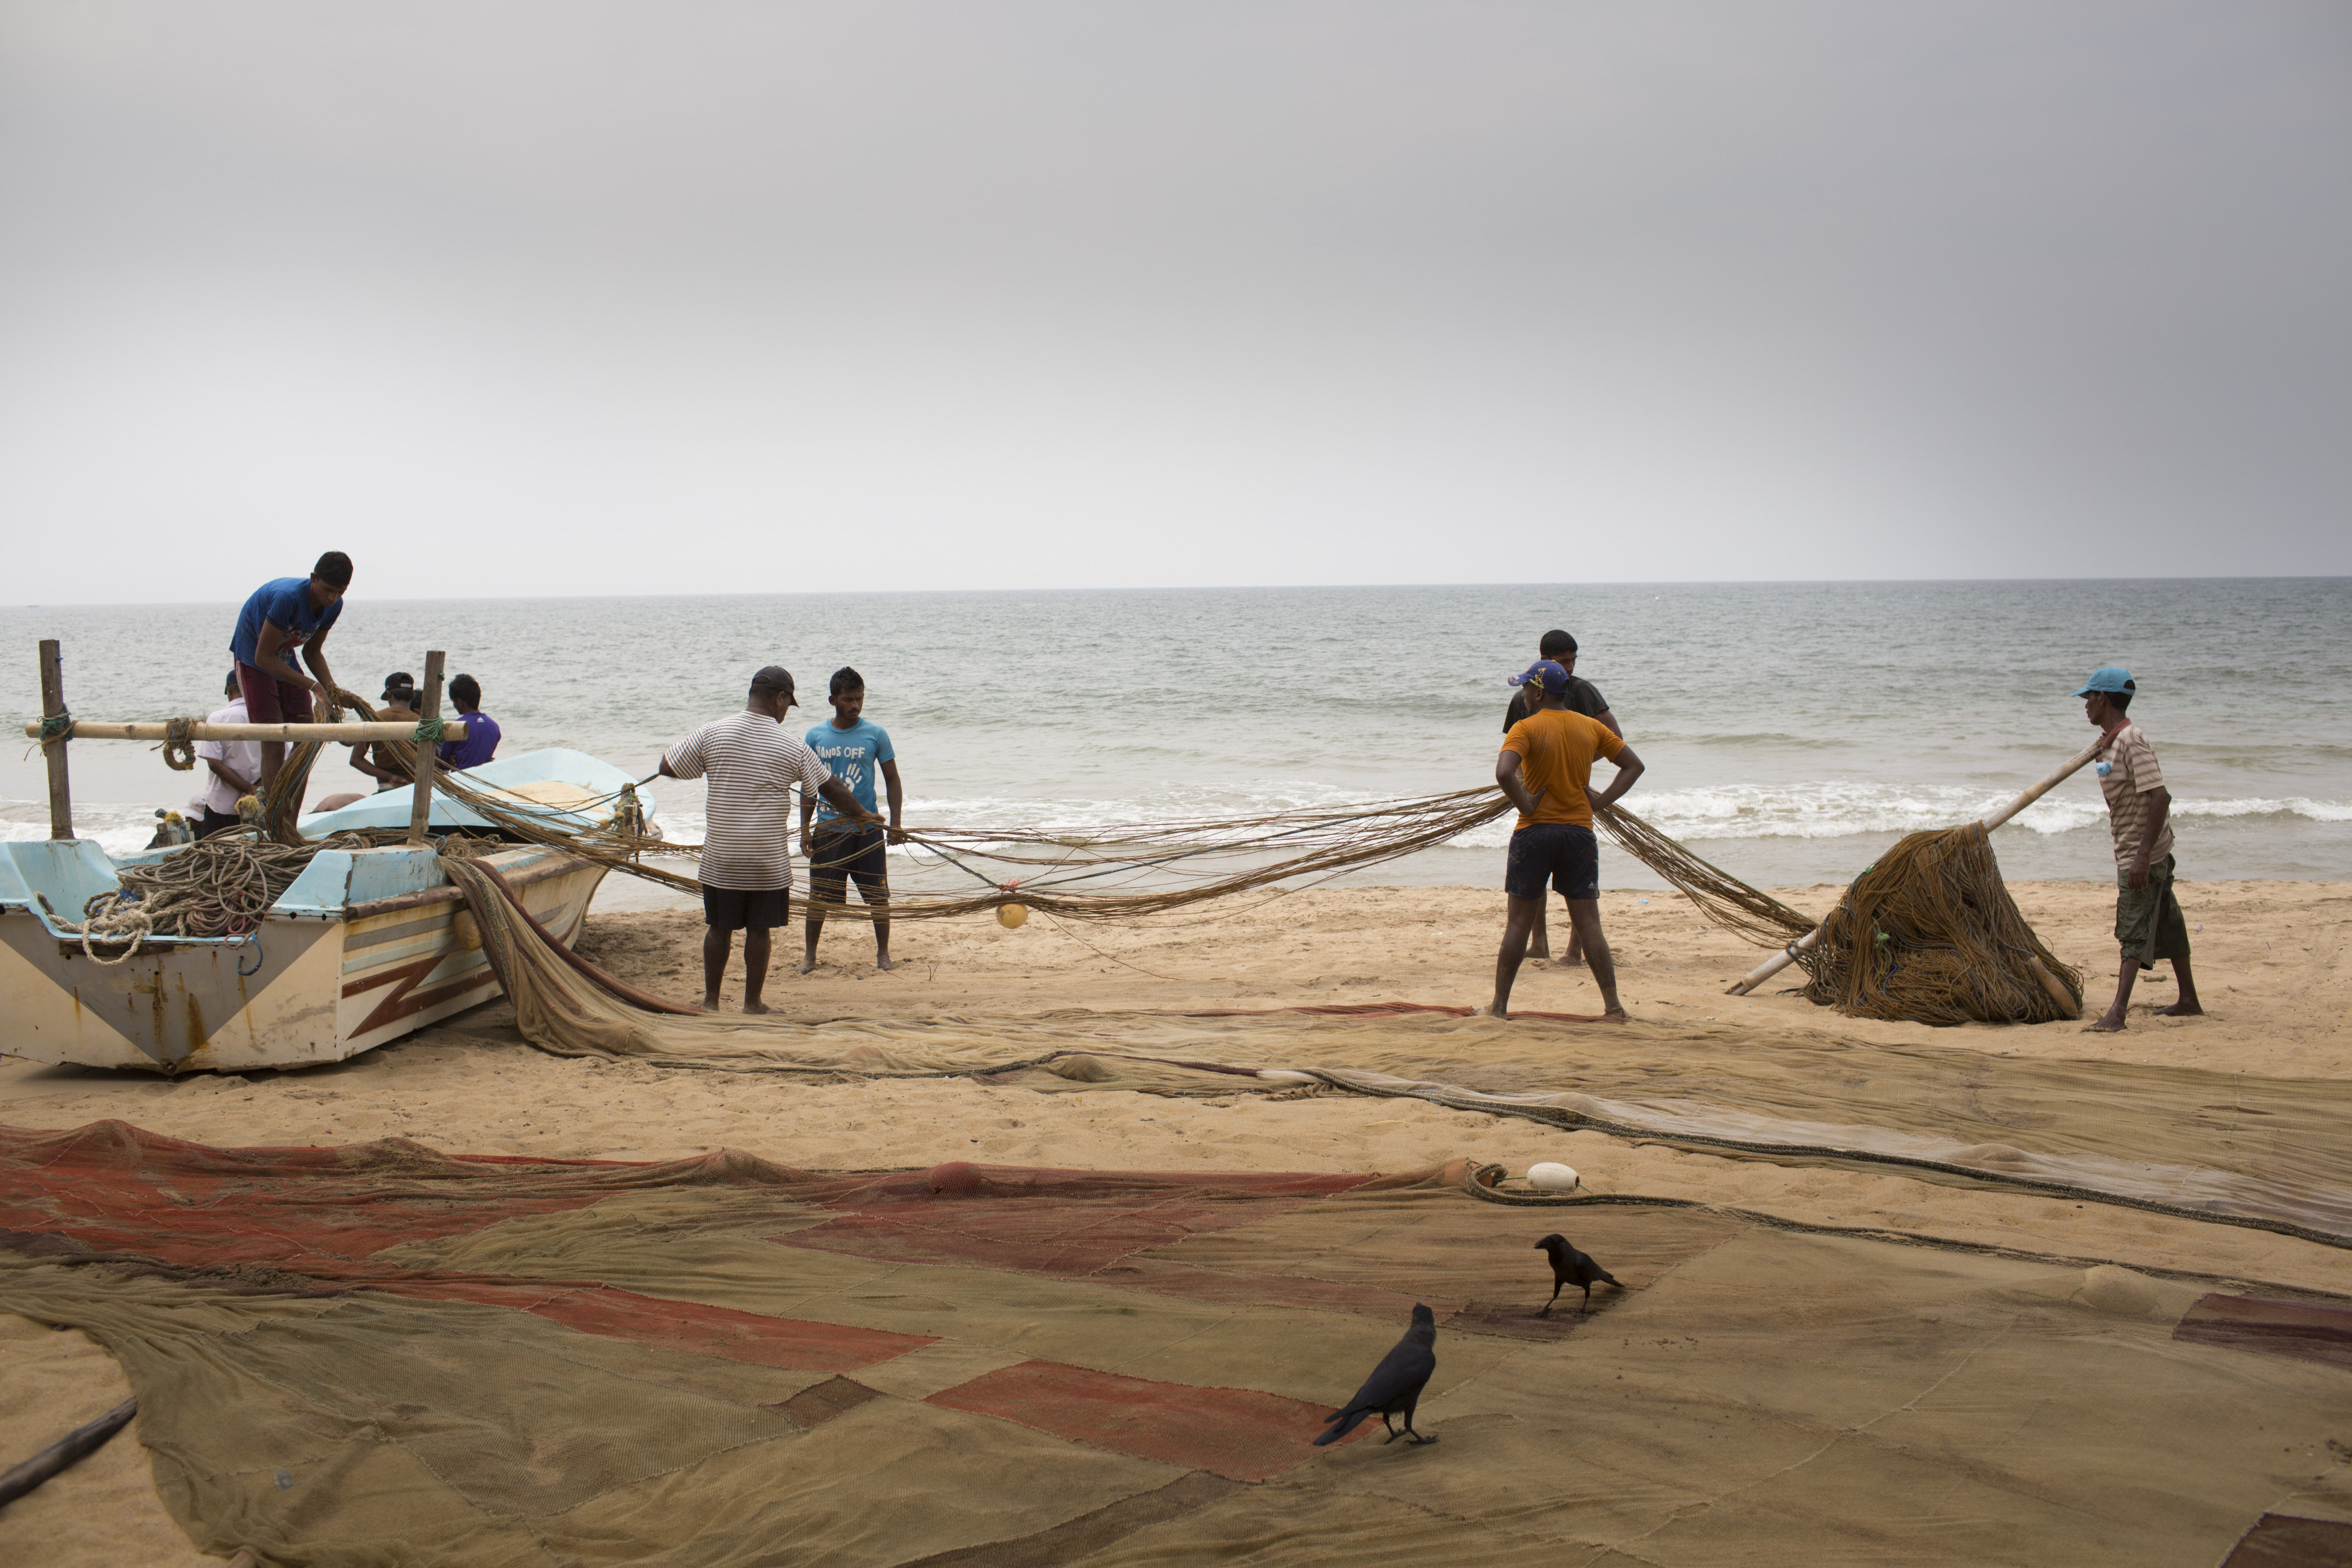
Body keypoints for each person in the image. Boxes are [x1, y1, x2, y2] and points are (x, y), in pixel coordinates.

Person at [659, 666, 881, 1013]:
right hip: (766, 860)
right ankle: (752, 1004)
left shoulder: (713, 732)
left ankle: (711, 1001)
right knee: (759, 931)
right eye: (787, 705)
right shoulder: (791, 745)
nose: (784, 713)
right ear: (780, 698)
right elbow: (831, 788)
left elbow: (667, 766)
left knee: (719, 929)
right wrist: (861, 813)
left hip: (722, 857)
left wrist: (719, 767)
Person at [1486, 659, 1645, 1020]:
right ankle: (1614, 1007)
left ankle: (1498, 1008)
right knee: (1589, 922)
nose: (1523, 694)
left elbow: (1504, 773)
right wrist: (1601, 802)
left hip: (1534, 832)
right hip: (1578, 834)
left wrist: (1525, 802)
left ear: (1539, 693)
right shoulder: (1590, 727)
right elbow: (1634, 766)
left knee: (1517, 924)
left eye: (1526, 688)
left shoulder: (1524, 729)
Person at [2077, 666, 2201, 1032]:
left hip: (2142, 853)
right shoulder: (2112, 742)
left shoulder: (2132, 740)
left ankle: (2117, 1013)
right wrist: (2103, 748)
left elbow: (2160, 796)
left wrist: (2143, 857)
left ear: (2103, 699)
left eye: (2088, 698)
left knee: (2132, 928)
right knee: (2167, 921)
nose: (2085, 705)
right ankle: (2190, 1000)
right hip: (2143, 848)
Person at [1501, 630, 1622, 966]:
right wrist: (1527, 782)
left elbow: (1615, 739)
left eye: (1573, 661)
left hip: (1566, 804)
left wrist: (1569, 766)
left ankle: (1574, 950)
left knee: (1577, 892)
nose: (1569, 668)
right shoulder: (1520, 701)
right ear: (1545, 662)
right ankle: (1539, 943)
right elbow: (1512, 756)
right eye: (1563, 662)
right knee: (1536, 881)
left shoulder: (1581, 691)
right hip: (1536, 801)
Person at [799, 667, 907, 972]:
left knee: (878, 896)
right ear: (833, 699)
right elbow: (809, 786)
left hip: (868, 830)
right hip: (829, 830)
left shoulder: (876, 733)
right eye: (848, 699)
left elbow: (892, 780)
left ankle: (883, 955)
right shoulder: (815, 736)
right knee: (818, 898)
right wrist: (806, 829)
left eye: (860, 698)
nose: (856, 705)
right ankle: (810, 956)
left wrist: (895, 823)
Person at [229, 551, 352, 817]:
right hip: (253, 655)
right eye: (328, 590)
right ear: (313, 579)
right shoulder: (288, 598)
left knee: (306, 739)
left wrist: (331, 689)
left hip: (283, 654)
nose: (332, 598)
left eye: (339, 592)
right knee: (273, 739)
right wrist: (314, 686)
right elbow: (264, 657)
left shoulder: (334, 605)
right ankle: (276, 822)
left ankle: (290, 820)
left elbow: (312, 652)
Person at [191, 669, 263, 840]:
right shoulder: (267, 717)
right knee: (258, 849)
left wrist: (248, 789)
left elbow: (214, 763)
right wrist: (256, 789)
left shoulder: (218, 718)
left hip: (221, 806)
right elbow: (280, 759)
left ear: (228, 690)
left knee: (215, 855)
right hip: (260, 802)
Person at [437, 674, 502, 771]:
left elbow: (443, 764)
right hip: (485, 779)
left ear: (459, 702)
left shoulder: (455, 728)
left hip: (462, 782)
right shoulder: (494, 727)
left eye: (453, 701)